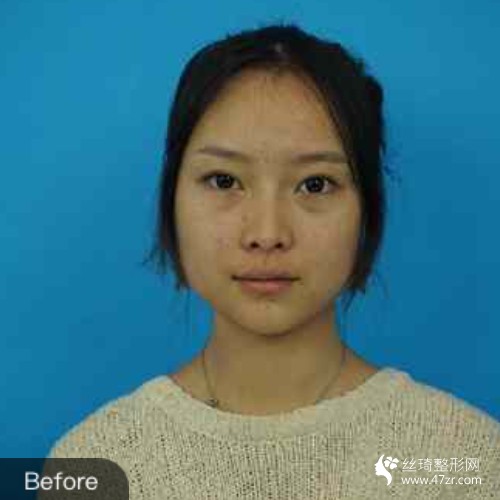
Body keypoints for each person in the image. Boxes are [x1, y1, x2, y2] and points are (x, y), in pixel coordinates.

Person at [48, 24, 500, 499]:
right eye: (224, 181)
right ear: (172, 198)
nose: (267, 234)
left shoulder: (464, 461)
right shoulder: (94, 466)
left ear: (367, 210)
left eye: (315, 184)